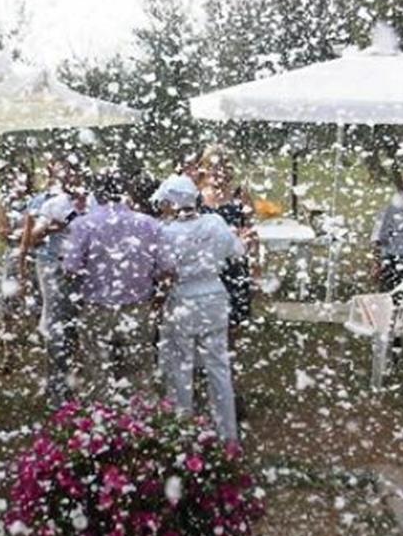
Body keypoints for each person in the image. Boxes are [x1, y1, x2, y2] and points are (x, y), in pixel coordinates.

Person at [63, 168, 172, 403]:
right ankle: (143, 419)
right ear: (125, 191)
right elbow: (167, 267)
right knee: (140, 374)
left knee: (98, 374)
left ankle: (102, 419)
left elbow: (70, 268)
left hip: (96, 308)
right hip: (138, 307)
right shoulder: (148, 224)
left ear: (96, 193)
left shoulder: (83, 225)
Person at [154, 175, 243, 441]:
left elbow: (163, 270)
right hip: (214, 296)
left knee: (180, 368)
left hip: (182, 299)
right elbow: (236, 251)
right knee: (219, 367)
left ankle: (182, 436)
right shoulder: (215, 222)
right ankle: (228, 436)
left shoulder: (166, 231)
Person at [195, 146, 258, 421]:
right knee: (203, 332)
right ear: (204, 168)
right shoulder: (196, 196)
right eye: (213, 166)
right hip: (206, 271)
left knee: (231, 333)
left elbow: (251, 232)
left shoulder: (240, 195)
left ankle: (230, 392)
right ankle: (204, 390)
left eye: (223, 166)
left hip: (234, 271)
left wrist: (254, 263)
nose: (218, 171)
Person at [22, 181, 89, 407]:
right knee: (57, 326)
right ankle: (58, 389)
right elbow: (33, 237)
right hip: (56, 268)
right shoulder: (54, 204)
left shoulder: (95, 203)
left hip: (87, 271)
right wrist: (53, 228)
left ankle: (82, 386)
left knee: (82, 327)